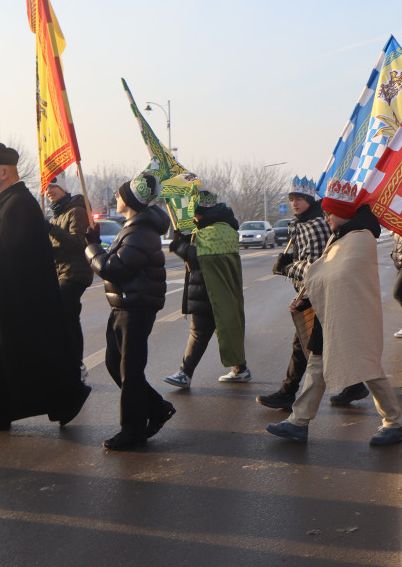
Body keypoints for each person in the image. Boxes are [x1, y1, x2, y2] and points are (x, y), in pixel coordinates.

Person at [0, 143, 90, 431]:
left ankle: (61, 399)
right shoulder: (0, 201)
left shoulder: (19, 204)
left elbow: (8, 255)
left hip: (11, 298)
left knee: (26, 354)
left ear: (4, 171)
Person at [266, 179, 402, 446]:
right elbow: (325, 274)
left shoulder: (360, 237)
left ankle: (395, 422)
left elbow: (333, 275)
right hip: (332, 310)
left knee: (368, 368)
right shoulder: (343, 234)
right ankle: (299, 422)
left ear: (343, 213)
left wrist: (291, 269)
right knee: (317, 363)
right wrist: (306, 299)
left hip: (353, 315)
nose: (326, 216)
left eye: (330, 212)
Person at [258, 177, 369, 411]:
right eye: (291, 199)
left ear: (309, 199)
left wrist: (287, 267)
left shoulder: (317, 225)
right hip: (309, 292)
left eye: (299, 199)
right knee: (320, 342)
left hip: (319, 292)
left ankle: (289, 395)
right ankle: (355, 385)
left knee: (306, 344)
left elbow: (317, 266)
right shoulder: (300, 224)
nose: (295, 203)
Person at [85, 169, 175, 451]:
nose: (115, 197)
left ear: (130, 202)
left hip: (135, 307)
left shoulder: (141, 232)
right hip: (125, 305)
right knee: (115, 364)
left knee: (130, 370)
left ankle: (132, 430)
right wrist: (98, 244)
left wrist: (90, 248)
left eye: (120, 194)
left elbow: (114, 269)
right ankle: (158, 408)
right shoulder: (133, 228)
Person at [163, 190, 249, 388]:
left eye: (194, 213)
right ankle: (240, 369)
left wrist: (179, 247)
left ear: (202, 212)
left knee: (199, 332)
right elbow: (200, 251)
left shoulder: (217, 230)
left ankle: (185, 373)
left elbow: (201, 258)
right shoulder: (221, 227)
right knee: (223, 328)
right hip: (215, 291)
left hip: (211, 291)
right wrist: (184, 240)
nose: (193, 218)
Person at [45, 173, 93, 381]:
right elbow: (57, 248)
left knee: (67, 316)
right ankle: (69, 362)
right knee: (65, 317)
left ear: (63, 188)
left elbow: (77, 245)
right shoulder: (56, 215)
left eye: (53, 187)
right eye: (46, 189)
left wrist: (50, 229)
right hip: (60, 273)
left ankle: (78, 365)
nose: (49, 191)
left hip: (75, 274)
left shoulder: (77, 211)